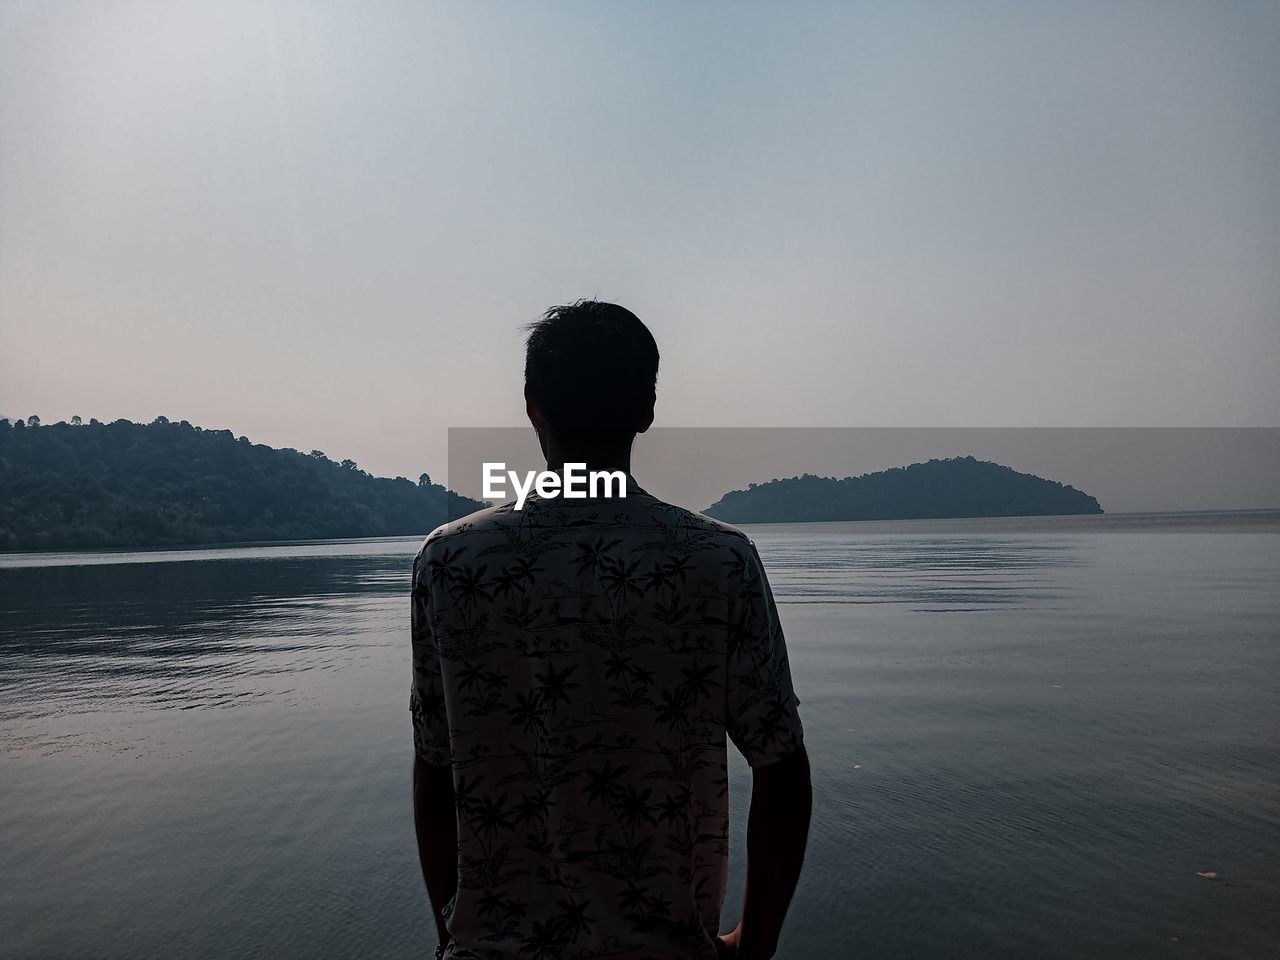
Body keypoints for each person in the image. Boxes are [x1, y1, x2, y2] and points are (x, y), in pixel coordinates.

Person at [411, 301, 811, 959]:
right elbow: (782, 772)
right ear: (647, 410)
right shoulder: (716, 561)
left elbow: (435, 768)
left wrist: (451, 932)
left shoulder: (451, 562)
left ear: (532, 406)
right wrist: (755, 945)